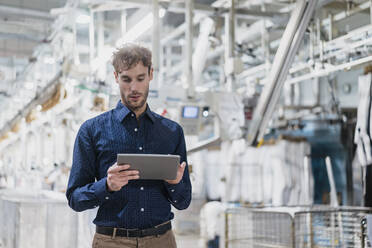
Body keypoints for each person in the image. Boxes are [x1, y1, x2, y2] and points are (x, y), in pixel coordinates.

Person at [66, 44, 192, 248]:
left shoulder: (172, 132)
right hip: (112, 241)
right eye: (126, 79)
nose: (134, 88)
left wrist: (174, 182)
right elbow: (75, 199)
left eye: (140, 78)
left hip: (161, 240)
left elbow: (183, 201)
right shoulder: (91, 130)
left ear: (151, 74)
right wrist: (106, 185)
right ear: (116, 77)